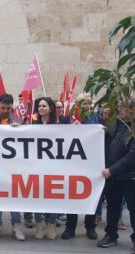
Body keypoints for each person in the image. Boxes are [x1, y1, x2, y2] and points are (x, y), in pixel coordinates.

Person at [0, 94, 26, 241]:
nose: (5, 110)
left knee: (15, 197)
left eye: (8, 108)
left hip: (13, 167)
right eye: (3, 108)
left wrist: (20, 129)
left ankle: (16, 226)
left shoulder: (18, 121)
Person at [97, 100, 135, 254]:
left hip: (129, 177)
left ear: (133, 110)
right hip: (113, 177)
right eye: (119, 108)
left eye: (123, 108)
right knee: (112, 207)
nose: (119, 111)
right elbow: (109, 146)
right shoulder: (117, 125)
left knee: (133, 208)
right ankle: (111, 234)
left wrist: (112, 170)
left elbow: (132, 156)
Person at [62, 93, 101, 240]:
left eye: (90, 103)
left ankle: (90, 227)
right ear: (78, 105)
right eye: (85, 103)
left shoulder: (96, 117)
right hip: (72, 162)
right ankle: (70, 227)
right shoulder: (69, 118)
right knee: (72, 195)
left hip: (92, 163)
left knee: (92, 195)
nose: (88, 106)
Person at [32, 97, 58, 240]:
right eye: (39, 106)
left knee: (52, 197)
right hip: (37, 168)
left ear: (51, 108)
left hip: (53, 168)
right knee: (37, 197)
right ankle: (39, 225)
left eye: (44, 106)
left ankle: (52, 225)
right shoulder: (33, 125)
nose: (41, 108)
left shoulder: (60, 125)